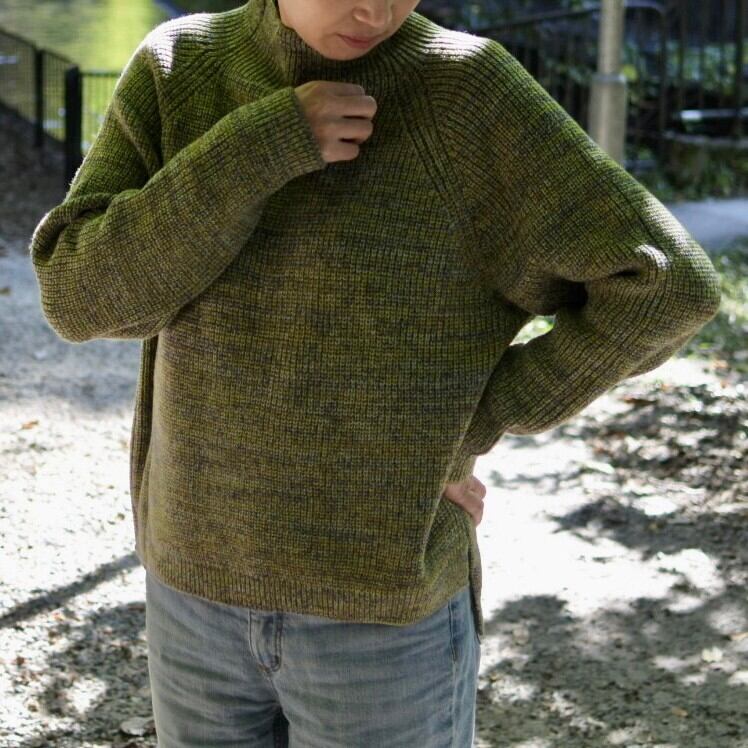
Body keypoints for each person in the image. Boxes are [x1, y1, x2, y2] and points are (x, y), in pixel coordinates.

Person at [28, 0, 722, 745]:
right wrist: (263, 144)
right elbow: (79, 297)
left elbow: (666, 285)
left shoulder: (467, 90)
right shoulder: (179, 68)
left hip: (380, 621)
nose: (376, 9)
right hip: (190, 590)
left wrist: (474, 422)